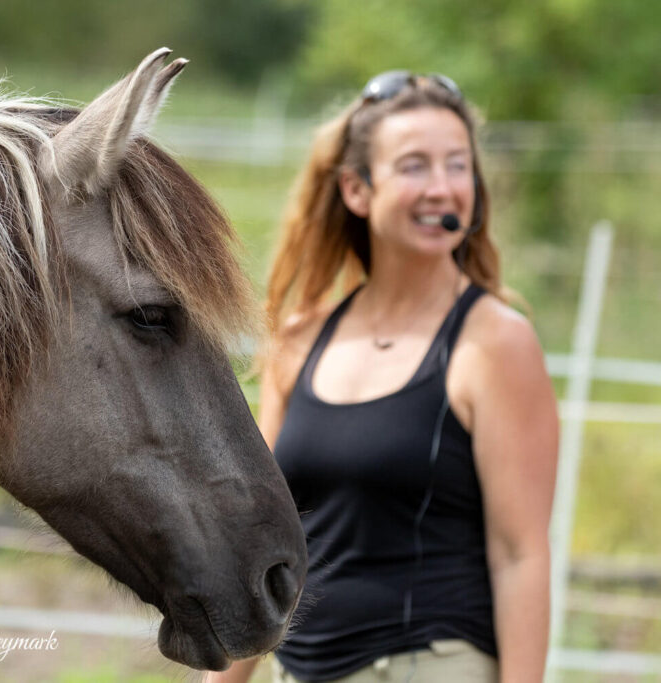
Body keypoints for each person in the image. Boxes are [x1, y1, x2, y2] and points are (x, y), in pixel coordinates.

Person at [205, 72, 559, 682]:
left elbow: (520, 555)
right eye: (415, 166)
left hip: (430, 665)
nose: (443, 188)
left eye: (458, 166)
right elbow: (265, 536)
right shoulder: (301, 339)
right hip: (301, 669)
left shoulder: (496, 341)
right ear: (356, 189)